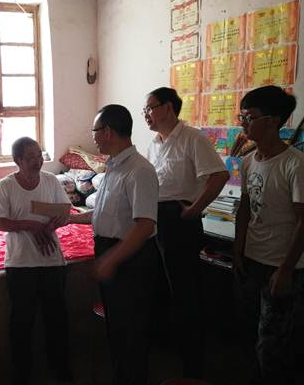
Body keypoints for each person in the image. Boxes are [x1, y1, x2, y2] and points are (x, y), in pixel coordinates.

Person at [70, 105, 161, 385]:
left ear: (108, 131)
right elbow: (104, 213)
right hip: (113, 253)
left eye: (95, 131)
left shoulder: (139, 170)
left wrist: (110, 259)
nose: (94, 137)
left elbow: (145, 226)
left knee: (132, 331)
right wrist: (69, 217)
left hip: (131, 259)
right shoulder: (112, 167)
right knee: (117, 327)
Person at [144, 87, 229, 378]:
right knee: (160, 286)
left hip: (179, 220)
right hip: (156, 219)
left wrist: (195, 208)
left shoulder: (193, 138)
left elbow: (220, 175)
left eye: (150, 108)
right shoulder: (154, 144)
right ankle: (168, 348)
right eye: (145, 110)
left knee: (185, 292)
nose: (146, 115)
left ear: (168, 107)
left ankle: (193, 362)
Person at [232, 86, 304, 384]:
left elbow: (303, 221)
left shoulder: (295, 164)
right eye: (242, 117)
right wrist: (238, 251)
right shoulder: (249, 161)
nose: (243, 123)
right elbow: (245, 210)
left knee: (272, 344)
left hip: (281, 266)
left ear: (273, 121)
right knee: (249, 335)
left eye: (249, 117)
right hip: (252, 260)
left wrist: (285, 269)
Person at [0, 137, 72, 385]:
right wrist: (30, 225)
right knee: (22, 322)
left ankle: (60, 369)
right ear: (18, 161)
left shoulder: (50, 181)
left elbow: (65, 210)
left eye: (39, 155)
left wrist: (54, 223)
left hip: (51, 261)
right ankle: (22, 373)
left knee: (56, 318)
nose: (37, 161)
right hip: (20, 263)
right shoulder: (6, 185)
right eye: (30, 157)